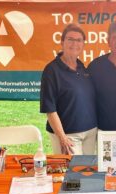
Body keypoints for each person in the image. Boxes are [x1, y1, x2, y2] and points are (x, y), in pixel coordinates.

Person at [40, 24, 97, 155]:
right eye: (70, 39)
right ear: (62, 42)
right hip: (68, 136)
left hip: (90, 133)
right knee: (72, 174)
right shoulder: (51, 70)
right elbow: (50, 109)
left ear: (83, 44)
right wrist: (62, 138)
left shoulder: (82, 68)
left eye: (79, 40)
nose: (74, 43)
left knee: (88, 172)